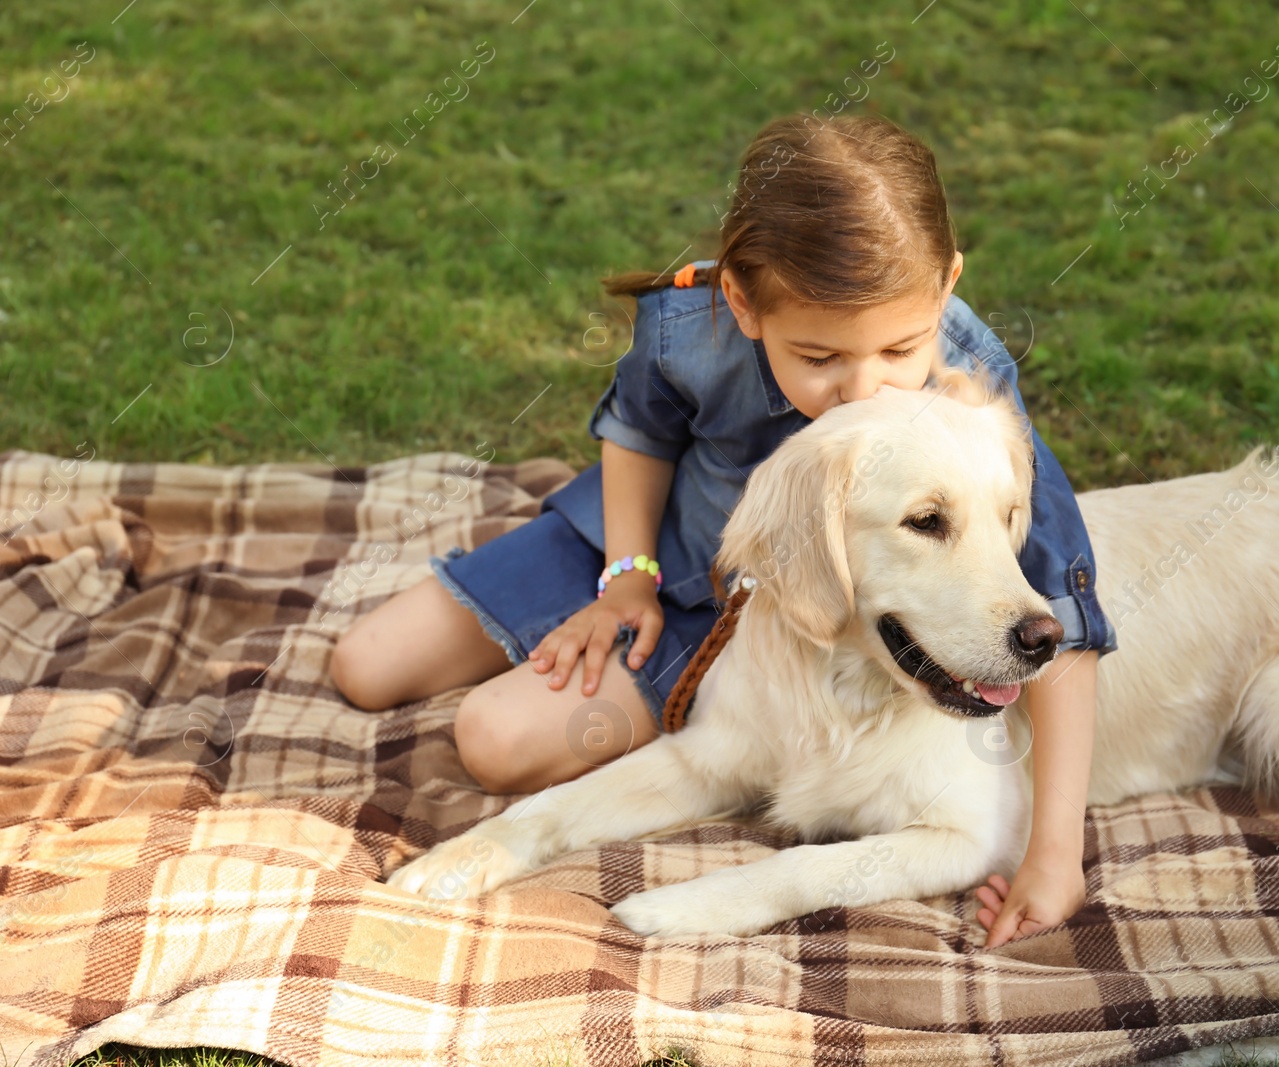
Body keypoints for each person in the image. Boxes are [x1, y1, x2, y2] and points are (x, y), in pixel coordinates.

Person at [330, 111, 1118, 948]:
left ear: (948, 287)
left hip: (739, 604)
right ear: (741, 300)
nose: (866, 391)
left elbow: (1063, 599)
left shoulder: (976, 387)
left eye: (901, 350)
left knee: (493, 740)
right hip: (644, 538)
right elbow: (637, 436)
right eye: (820, 357)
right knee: (365, 664)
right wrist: (624, 577)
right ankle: (576, 635)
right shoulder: (686, 327)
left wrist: (1056, 850)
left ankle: (599, 696)